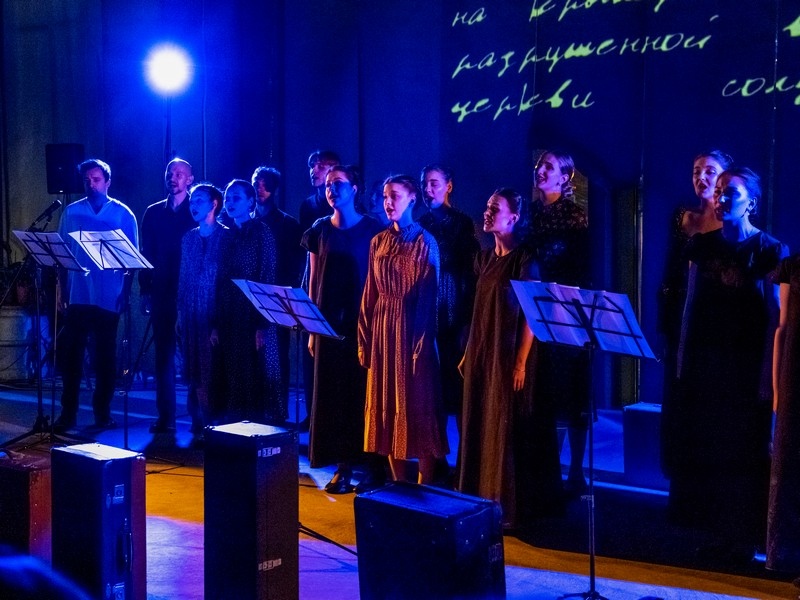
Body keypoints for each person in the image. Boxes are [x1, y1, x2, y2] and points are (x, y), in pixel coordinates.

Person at [671, 167, 787, 560]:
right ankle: (718, 532)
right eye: (718, 190)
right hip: (708, 362)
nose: (720, 198)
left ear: (751, 202)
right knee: (712, 447)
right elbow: (690, 306)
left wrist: (768, 376)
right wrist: (683, 361)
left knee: (745, 451)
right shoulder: (702, 246)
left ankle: (747, 537)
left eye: (730, 193)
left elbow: (774, 318)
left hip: (746, 365)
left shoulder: (770, 250)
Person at [457, 188, 562, 529]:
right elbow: (479, 311)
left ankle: (507, 506)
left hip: (510, 353)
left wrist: (520, 362)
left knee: (505, 425)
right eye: (487, 206)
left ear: (514, 218)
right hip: (484, 352)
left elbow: (532, 315)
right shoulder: (485, 259)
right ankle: (481, 498)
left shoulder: (525, 259)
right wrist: (469, 351)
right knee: (482, 420)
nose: (487, 212)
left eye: (495, 208)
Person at [358, 174, 447, 484]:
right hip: (384, 329)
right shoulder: (378, 241)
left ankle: (425, 488)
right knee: (386, 404)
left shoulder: (425, 242)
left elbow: (429, 299)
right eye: (385, 196)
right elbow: (370, 292)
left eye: (394, 195)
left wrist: (421, 345)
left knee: (417, 405)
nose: (388, 202)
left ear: (412, 199)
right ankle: (399, 487)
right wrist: (364, 338)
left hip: (412, 330)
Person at [302, 165, 384, 493]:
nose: (331, 189)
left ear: (354, 189)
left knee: (363, 394)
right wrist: (312, 329)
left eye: (337, 183)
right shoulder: (320, 230)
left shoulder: (374, 230)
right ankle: (343, 467)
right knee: (333, 396)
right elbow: (313, 281)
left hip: (363, 324)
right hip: (328, 325)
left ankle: (372, 467)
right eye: (327, 185)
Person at [659, 150, 733, 479]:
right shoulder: (682, 217)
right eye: (696, 171)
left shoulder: (730, 220)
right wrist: (664, 324)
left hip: (713, 323)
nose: (701, 177)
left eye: (710, 171)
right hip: (678, 318)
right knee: (678, 396)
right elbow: (669, 272)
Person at [53, 159, 138, 432]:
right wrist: (60, 290)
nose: (91, 184)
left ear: (108, 182)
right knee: (72, 358)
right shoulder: (71, 212)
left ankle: (102, 413)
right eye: (87, 180)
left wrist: (125, 292)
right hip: (78, 294)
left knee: (105, 358)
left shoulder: (123, 214)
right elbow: (61, 255)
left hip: (108, 294)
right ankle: (68, 413)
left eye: (96, 179)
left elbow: (132, 260)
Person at [531, 150, 591, 495]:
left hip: (567, 312)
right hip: (534, 311)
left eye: (549, 166)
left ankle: (576, 472)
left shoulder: (575, 217)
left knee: (573, 393)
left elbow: (582, 269)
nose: (540, 170)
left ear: (564, 177)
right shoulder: (531, 214)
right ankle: (547, 471)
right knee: (545, 393)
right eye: (540, 164)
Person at [418, 164, 479, 482]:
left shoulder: (462, 223)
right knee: (433, 393)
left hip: (455, 312)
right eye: (424, 184)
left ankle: (466, 465)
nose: (428, 189)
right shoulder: (420, 223)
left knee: (459, 393)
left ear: (448, 186)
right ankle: (437, 460)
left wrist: (467, 324)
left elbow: (471, 276)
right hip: (430, 313)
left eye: (434, 183)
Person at [215, 179, 281, 424]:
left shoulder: (262, 232)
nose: (230, 202)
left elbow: (267, 276)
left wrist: (262, 324)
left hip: (253, 313)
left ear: (251, 202)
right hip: (229, 312)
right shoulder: (225, 234)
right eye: (227, 198)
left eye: (236, 198)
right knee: (233, 371)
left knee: (254, 370)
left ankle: (258, 427)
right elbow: (219, 279)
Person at [139, 157, 196, 434]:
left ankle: (199, 419)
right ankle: (166, 417)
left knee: (194, 357)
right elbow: (146, 254)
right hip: (162, 291)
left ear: (190, 179)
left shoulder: (195, 210)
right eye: (169, 173)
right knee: (163, 356)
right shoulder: (152, 213)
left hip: (190, 293)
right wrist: (145, 290)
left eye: (179, 174)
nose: (173, 177)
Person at [251, 166, 305, 426]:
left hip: (276, 297)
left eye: (265, 184)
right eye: (256, 183)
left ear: (274, 189)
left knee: (276, 358)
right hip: (249, 295)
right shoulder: (246, 221)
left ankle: (278, 413)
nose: (259, 188)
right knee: (251, 358)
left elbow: (295, 266)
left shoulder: (288, 224)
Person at [177, 183, 229, 442]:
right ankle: (199, 423)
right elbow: (184, 277)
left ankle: (213, 423)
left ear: (214, 204)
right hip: (191, 313)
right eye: (192, 201)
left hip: (213, 312)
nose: (193, 205)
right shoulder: (188, 238)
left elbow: (227, 283)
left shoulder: (227, 237)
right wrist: (180, 313)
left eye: (199, 200)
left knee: (212, 370)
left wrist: (218, 322)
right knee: (194, 370)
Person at [298, 150, 340, 431]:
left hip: (335, 281)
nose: (314, 170)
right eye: (311, 165)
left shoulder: (341, 202)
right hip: (312, 276)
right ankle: (313, 412)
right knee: (309, 352)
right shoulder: (308, 205)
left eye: (320, 166)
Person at [767, 253, 800, 573]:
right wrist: (777, 390)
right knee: (790, 467)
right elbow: (782, 328)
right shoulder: (793, 266)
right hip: (795, 375)